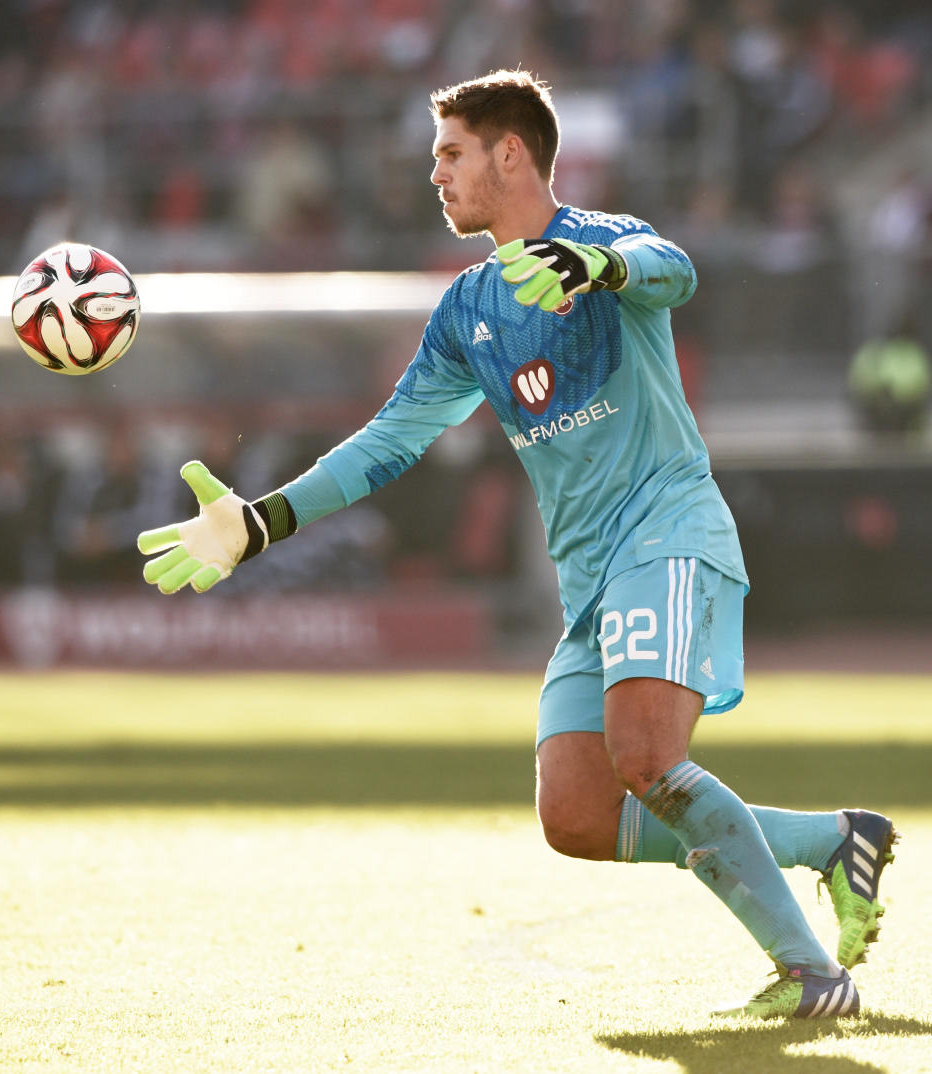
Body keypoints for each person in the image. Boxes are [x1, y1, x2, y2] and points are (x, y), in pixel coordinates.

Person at [137, 70, 897, 1019]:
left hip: (665, 536)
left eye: (450, 153)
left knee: (648, 758)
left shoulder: (602, 242)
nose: (436, 174)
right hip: (590, 581)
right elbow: (393, 439)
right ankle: (834, 840)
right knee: (576, 815)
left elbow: (675, 268)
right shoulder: (467, 311)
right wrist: (263, 521)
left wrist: (597, 268)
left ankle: (813, 975)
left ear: (510, 153)